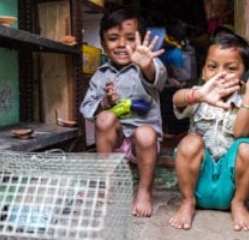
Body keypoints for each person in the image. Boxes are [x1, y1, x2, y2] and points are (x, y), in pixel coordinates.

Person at [168, 33, 249, 231]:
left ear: (245, 74)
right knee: (190, 141)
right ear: (203, 70)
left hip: (230, 187)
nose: (220, 74)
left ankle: (239, 204)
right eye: (212, 66)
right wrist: (196, 94)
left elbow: (241, 132)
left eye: (231, 68)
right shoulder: (198, 97)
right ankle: (187, 202)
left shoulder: (246, 104)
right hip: (199, 182)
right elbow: (176, 99)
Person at [79, 7, 167, 218]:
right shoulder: (101, 75)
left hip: (143, 144)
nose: (121, 44)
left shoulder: (146, 65)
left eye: (130, 38)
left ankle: (145, 190)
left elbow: (159, 78)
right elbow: (86, 108)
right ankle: (107, 183)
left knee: (145, 133)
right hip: (116, 142)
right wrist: (104, 102)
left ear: (141, 42)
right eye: (113, 38)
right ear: (103, 44)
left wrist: (147, 66)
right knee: (105, 118)